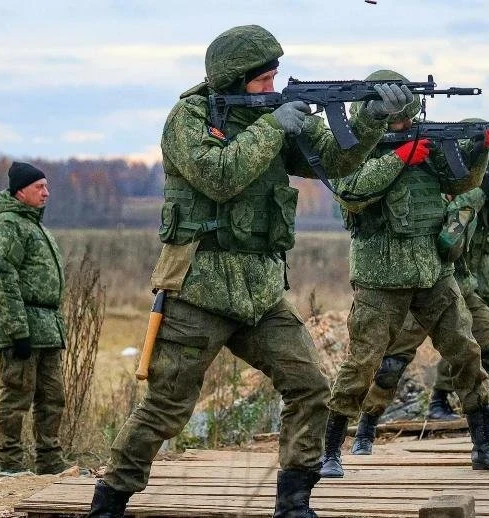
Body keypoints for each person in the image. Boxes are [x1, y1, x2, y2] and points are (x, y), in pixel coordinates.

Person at [87, 26, 413, 518]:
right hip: (197, 288)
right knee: (166, 407)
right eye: (262, 79)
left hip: (261, 293)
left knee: (309, 389)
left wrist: (370, 119)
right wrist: (274, 126)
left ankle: (294, 502)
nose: (271, 87)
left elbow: (337, 162)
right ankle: (108, 502)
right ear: (233, 80)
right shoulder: (190, 117)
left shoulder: (277, 115)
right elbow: (219, 176)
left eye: (274, 77)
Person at [322, 71, 489, 479]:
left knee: (467, 354)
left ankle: (486, 446)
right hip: (380, 278)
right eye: (399, 120)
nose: (407, 125)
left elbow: (461, 182)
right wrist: (400, 158)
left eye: (409, 118)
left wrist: (479, 150)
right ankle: (330, 451)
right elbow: (351, 192)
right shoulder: (351, 150)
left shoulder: (422, 147)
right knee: (363, 364)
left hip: (433, 272)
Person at [350, 141, 489, 457]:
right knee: (391, 365)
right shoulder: (446, 184)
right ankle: (366, 428)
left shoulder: (481, 190)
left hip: (462, 289)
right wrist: (478, 195)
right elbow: (447, 240)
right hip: (424, 287)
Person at [0, 161, 68, 476]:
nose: (46, 192)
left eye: (46, 186)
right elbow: (2, 279)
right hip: (23, 330)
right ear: (21, 191)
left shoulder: (34, 224)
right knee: (16, 398)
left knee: (52, 397)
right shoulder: (7, 224)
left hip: (47, 328)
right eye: (39, 187)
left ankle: (50, 461)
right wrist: (18, 331)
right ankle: (10, 464)